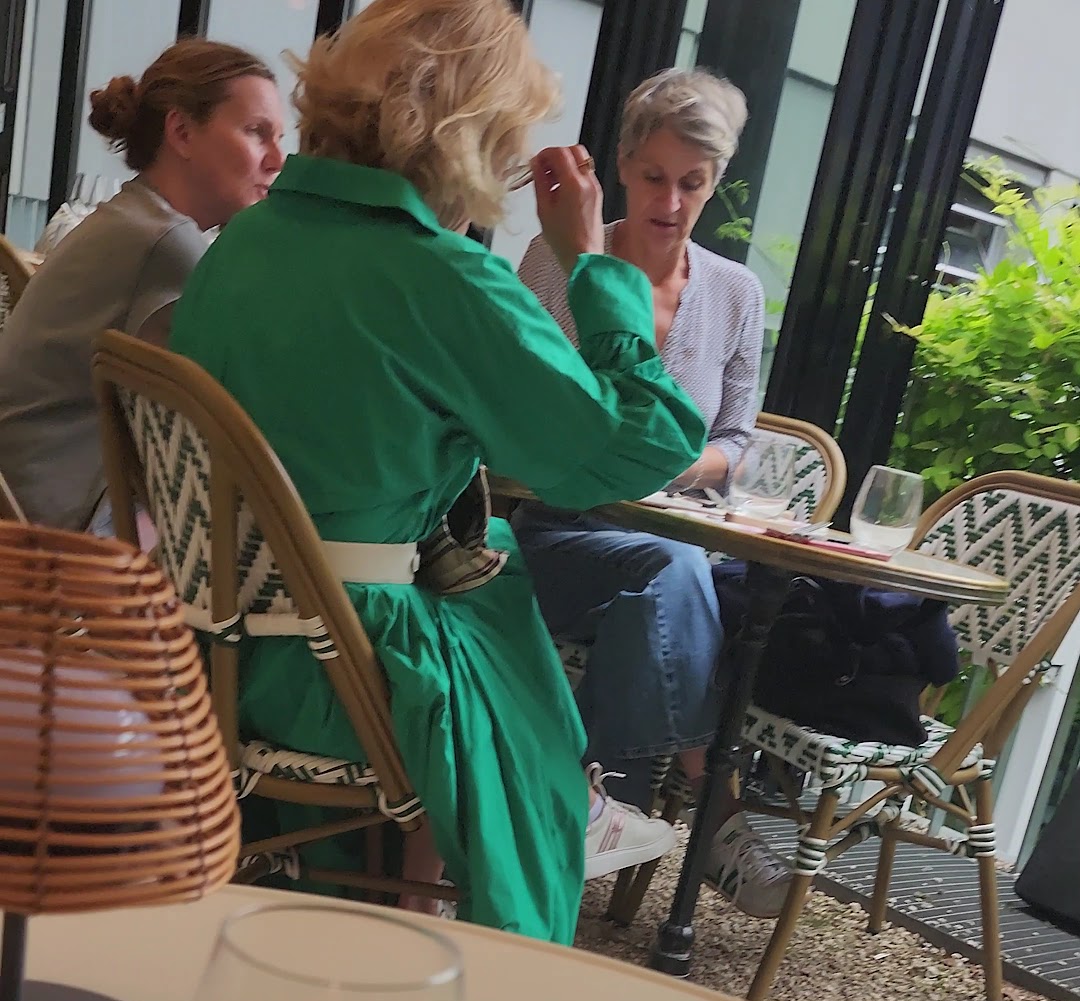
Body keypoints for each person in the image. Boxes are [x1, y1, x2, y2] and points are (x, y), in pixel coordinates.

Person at [168, 0, 709, 943]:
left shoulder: (245, 240)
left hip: (209, 646)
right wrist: (591, 259)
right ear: (472, 137)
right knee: (505, 637)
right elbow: (641, 443)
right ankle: (545, 831)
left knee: (484, 563)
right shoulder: (443, 277)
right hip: (338, 668)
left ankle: (427, 880)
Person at [517, 67, 793, 919]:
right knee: (674, 573)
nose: (671, 202)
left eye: (693, 183)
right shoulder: (557, 260)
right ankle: (713, 799)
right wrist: (623, 458)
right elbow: (521, 413)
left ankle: (596, 805)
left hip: (668, 547)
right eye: (654, 177)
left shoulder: (736, 292)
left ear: (716, 182)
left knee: (662, 588)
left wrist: (670, 467)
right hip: (551, 533)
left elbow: (736, 441)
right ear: (623, 168)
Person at [0, 40, 286, 532]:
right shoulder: (165, 242)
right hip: (46, 530)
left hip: (24, 491)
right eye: (256, 132)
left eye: (280, 137)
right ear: (182, 132)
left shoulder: (131, 218)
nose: (278, 159)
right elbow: (229, 420)